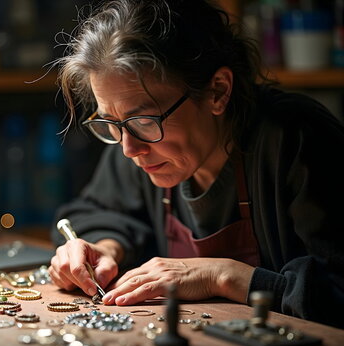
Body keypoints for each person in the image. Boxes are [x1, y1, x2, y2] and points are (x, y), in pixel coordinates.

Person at [48, 0, 344, 329]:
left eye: (144, 120)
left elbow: (338, 289)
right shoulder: (136, 141)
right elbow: (100, 211)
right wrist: (105, 249)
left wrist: (222, 276)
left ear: (218, 91)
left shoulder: (297, 139)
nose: (129, 149)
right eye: (110, 123)